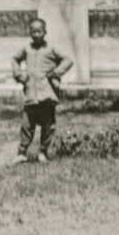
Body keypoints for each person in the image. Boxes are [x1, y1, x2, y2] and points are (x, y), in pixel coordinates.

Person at [11, 18, 73, 165]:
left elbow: (68, 60)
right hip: (31, 95)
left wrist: (56, 73)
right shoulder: (27, 49)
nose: (36, 34)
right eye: (33, 31)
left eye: (39, 31)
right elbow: (14, 59)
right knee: (27, 125)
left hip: (47, 94)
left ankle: (43, 151)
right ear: (29, 33)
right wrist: (20, 75)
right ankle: (22, 153)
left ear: (45, 32)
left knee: (47, 125)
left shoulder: (51, 49)